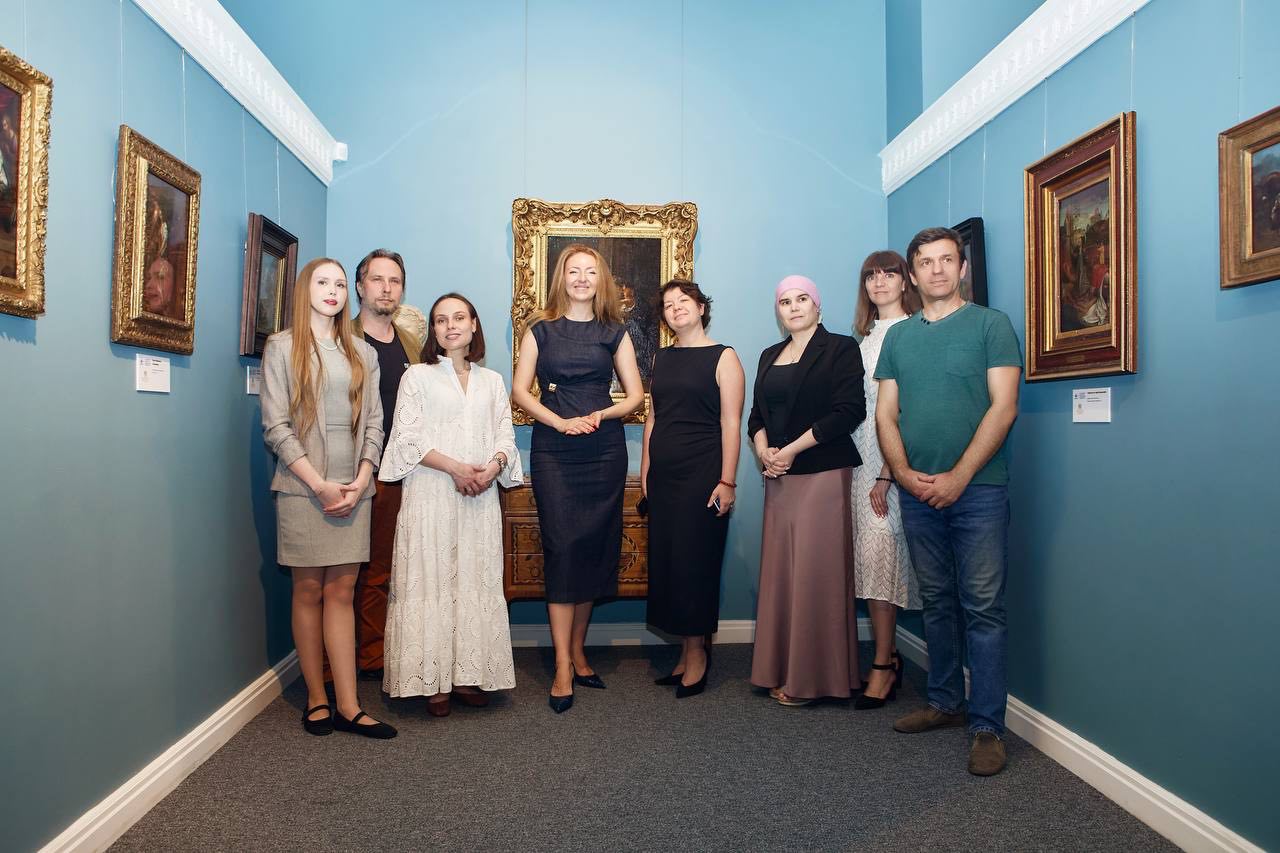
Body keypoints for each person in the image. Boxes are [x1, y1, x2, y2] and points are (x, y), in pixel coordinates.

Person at [875, 226, 1021, 775]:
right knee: (936, 601)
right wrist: (903, 475)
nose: (936, 270)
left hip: (978, 491)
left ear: (962, 268)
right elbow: (885, 413)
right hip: (917, 492)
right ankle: (944, 702)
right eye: (926, 262)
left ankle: (987, 727)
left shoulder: (991, 325)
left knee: (983, 608)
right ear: (913, 275)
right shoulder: (899, 337)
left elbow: (1003, 407)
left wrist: (959, 476)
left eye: (946, 260)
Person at [260, 257, 396, 740]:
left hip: (355, 489)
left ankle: (350, 705)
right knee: (308, 592)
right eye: (323, 282)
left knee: (342, 593)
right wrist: (318, 484)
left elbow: (375, 423)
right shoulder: (281, 347)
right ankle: (317, 698)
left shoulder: (363, 352)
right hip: (303, 489)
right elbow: (276, 427)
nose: (333, 291)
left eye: (339, 283)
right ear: (305, 289)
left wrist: (361, 480)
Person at [510, 244, 644, 713]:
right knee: (563, 549)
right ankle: (563, 667)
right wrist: (559, 422)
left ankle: (579, 652)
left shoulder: (614, 331)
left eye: (590, 271)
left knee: (592, 549)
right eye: (574, 271)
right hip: (555, 451)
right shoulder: (540, 329)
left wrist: (602, 414)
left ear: (600, 279)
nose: (582, 278)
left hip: (604, 451)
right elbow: (519, 391)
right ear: (561, 278)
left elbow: (635, 396)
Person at [379, 293, 522, 714]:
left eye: (459, 318)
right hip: (431, 493)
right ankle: (432, 681)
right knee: (432, 581)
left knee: (473, 581)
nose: (451, 326)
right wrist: (456, 468)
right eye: (441, 320)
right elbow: (407, 438)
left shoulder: (492, 381)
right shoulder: (417, 377)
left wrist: (492, 467)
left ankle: (467, 675)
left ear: (474, 325)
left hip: (479, 497)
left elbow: (505, 435)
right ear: (433, 330)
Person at [747, 275, 866, 706]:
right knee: (782, 575)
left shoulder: (840, 348)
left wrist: (791, 451)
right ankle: (779, 668)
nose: (794, 307)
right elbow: (756, 416)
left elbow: (849, 411)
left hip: (822, 472)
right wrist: (764, 451)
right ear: (777, 310)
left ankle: (813, 680)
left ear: (817, 306)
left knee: (816, 575)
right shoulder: (769, 354)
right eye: (785, 301)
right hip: (779, 476)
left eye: (802, 299)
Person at [642, 280, 745, 698]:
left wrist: (727, 480)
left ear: (701, 308)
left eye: (683, 301)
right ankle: (686, 654)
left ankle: (699, 655)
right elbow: (653, 419)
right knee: (670, 565)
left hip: (703, 475)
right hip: (664, 478)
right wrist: (646, 473)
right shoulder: (661, 357)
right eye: (668, 304)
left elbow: (731, 423)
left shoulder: (724, 357)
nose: (676, 308)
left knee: (694, 565)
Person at [849, 250, 922, 711]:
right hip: (859, 463)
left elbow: (910, 408)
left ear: (904, 280)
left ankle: (881, 665)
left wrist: (888, 472)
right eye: (871, 275)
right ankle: (888, 653)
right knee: (869, 560)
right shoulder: (866, 336)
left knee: (882, 555)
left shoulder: (914, 331)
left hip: (888, 465)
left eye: (888, 273)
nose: (879, 281)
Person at [350, 249, 422, 680]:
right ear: (360, 286)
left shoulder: (411, 343)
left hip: (405, 472)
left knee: (390, 568)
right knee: (354, 572)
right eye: (377, 279)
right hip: (359, 471)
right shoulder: (342, 338)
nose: (386, 288)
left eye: (394, 281)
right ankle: (355, 656)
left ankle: (380, 653)